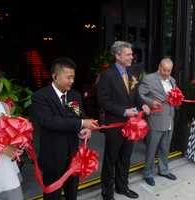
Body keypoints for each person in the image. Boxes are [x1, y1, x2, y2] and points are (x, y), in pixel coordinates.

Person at [30, 57, 99, 200]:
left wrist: (85, 130)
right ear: (55, 76)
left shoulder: (74, 96)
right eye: (68, 77)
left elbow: (79, 116)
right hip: (52, 155)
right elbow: (50, 122)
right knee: (52, 193)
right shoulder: (40, 97)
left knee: (72, 191)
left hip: (73, 154)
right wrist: (81, 123)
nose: (72, 81)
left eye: (73, 77)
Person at [97, 41, 150, 200]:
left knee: (125, 157)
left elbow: (135, 96)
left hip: (131, 125)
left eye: (131, 54)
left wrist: (144, 105)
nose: (131, 57)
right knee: (110, 159)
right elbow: (103, 101)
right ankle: (107, 193)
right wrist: (123, 111)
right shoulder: (107, 75)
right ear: (117, 55)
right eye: (128, 54)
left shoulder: (131, 72)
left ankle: (122, 187)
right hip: (115, 124)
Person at [138, 57, 177, 186]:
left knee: (165, 148)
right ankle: (148, 173)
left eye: (169, 71)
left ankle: (164, 170)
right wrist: (150, 103)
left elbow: (175, 96)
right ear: (159, 67)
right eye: (164, 70)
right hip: (155, 119)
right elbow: (140, 95)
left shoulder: (172, 80)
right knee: (151, 148)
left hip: (169, 119)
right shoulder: (149, 79)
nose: (166, 73)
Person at [0, 67, 24, 200]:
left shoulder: (4, 106)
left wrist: (19, 144)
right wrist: (2, 148)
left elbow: (12, 133)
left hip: (6, 166)